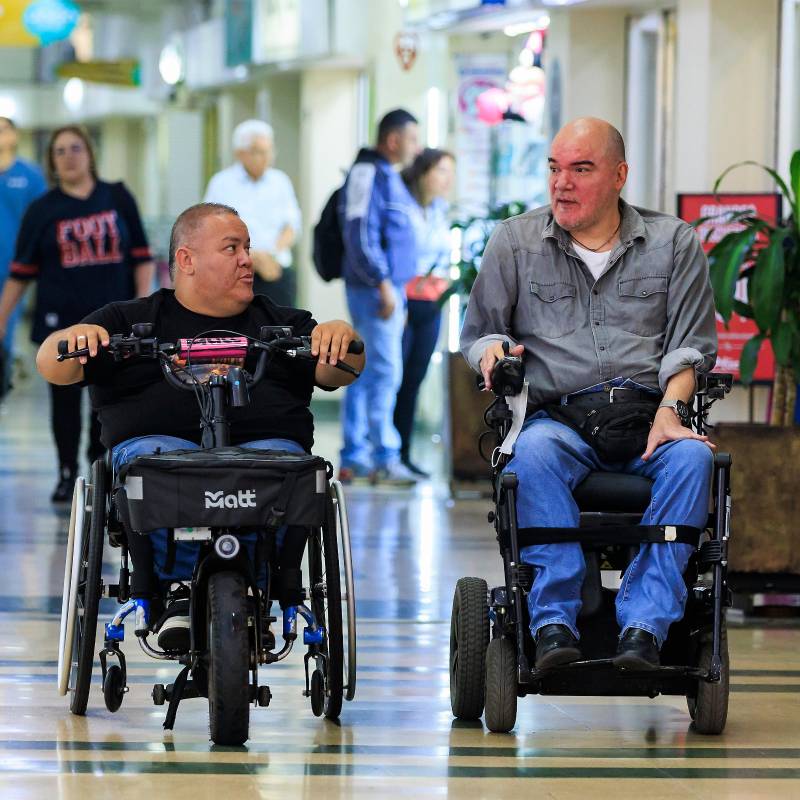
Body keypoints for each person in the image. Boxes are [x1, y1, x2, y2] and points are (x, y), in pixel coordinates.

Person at [36, 202, 364, 648]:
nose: (247, 258)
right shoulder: (127, 321)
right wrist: (75, 338)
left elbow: (339, 371)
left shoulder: (281, 323)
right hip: (158, 466)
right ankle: (178, 593)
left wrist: (340, 334)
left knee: (295, 470)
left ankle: (261, 586)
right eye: (232, 248)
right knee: (151, 463)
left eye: (247, 247)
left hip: (268, 466)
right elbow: (52, 364)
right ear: (186, 260)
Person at [460, 117, 717, 670]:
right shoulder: (516, 242)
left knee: (695, 459)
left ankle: (644, 627)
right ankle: (554, 620)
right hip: (559, 419)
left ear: (620, 176)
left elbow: (691, 346)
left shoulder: (674, 243)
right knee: (530, 454)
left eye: (581, 169)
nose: (562, 183)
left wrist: (672, 410)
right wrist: (491, 351)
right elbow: (480, 329)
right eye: (555, 168)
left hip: (649, 415)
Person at [0, 125, 154, 503]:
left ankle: (100, 468)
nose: (69, 157)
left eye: (75, 148)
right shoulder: (43, 209)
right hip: (61, 321)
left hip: (112, 321)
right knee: (64, 401)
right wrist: (2, 318)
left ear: (90, 153)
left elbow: (141, 256)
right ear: (52, 161)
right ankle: (67, 471)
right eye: (60, 151)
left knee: (108, 399)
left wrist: (142, 304)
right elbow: (20, 272)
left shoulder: (117, 197)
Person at [338, 108, 421, 485]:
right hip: (375, 290)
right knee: (384, 373)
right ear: (393, 140)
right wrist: (382, 282)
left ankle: (358, 456)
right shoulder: (367, 173)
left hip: (389, 289)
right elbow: (359, 232)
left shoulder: (389, 176)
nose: (417, 148)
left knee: (369, 372)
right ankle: (383, 457)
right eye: (412, 139)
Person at [393, 148, 455, 478]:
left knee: (415, 378)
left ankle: (404, 452)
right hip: (404, 301)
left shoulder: (441, 210)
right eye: (442, 171)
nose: (448, 179)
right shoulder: (404, 207)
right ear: (424, 173)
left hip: (433, 301)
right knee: (395, 378)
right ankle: (388, 453)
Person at [204, 119, 301, 307]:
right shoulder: (222, 183)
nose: (266, 157)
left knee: (282, 330)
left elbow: (292, 225)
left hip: (275, 270)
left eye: (269, 150)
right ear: (240, 153)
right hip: (235, 273)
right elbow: (213, 230)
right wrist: (251, 257)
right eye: (258, 152)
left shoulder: (280, 181)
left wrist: (270, 255)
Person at [0, 117, 47, 388]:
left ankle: (3, 378)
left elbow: (42, 220)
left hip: (13, 269)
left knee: (5, 326)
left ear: (14, 136)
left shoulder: (30, 176)